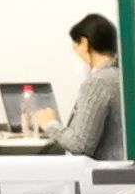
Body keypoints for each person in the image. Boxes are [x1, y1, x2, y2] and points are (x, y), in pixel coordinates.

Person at [34, 10, 124, 157]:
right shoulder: (119, 76)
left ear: (84, 43)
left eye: (75, 47)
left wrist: (50, 124)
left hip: (100, 170)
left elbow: (81, 145)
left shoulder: (97, 83)